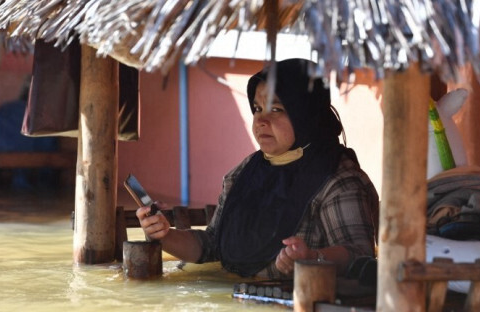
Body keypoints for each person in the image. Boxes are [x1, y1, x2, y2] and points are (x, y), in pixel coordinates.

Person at [137, 58, 379, 278]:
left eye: (277, 110)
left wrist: (311, 259)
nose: (261, 121)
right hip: (234, 310)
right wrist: (165, 235)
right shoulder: (244, 174)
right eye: (257, 108)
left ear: (305, 114)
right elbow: (212, 245)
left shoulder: (337, 180)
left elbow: (359, 254)